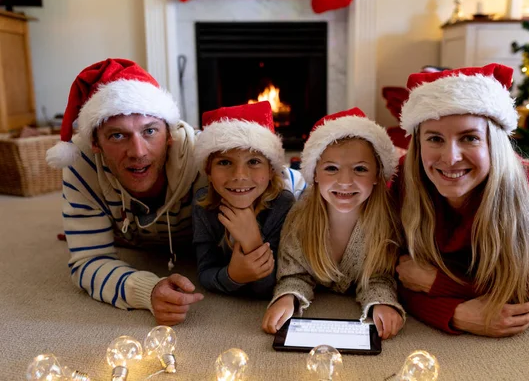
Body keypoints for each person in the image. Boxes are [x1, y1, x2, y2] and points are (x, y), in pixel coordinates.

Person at [45, 59, 306, 326]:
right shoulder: (80, 164)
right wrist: (146, 291)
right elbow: (88, 260)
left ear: (170, 133)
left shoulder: (205, 159)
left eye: (149, 131)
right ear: (95, 142)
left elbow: (276, 178)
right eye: (117, 136)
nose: (138, 152)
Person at [392, 63, 529, 337]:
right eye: (435, 139)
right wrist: (455, 314)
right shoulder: (405, 177)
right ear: (419, 143)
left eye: (469, 138)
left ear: (493, 143)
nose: (450, 158)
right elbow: (391, 275)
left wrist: (438, 285)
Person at [262, 108, 406, 340]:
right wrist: (287, 297)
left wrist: (382, 301)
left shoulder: (387, 219)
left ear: (377, 175)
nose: (345, 182)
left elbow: (380, 275)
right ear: (315, 173)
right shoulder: (300, 217)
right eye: (331, 168)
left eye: (360, 169)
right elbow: (295, 274)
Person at [193, 101, 295, 298]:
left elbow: (267, 287)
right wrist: (233, 276)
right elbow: (205, 272)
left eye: (254, 161)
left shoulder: (284, 204)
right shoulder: (203, 203)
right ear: (209, 172)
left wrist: (252, 240)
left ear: (271, 169)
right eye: (224, 162)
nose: (239, 175)